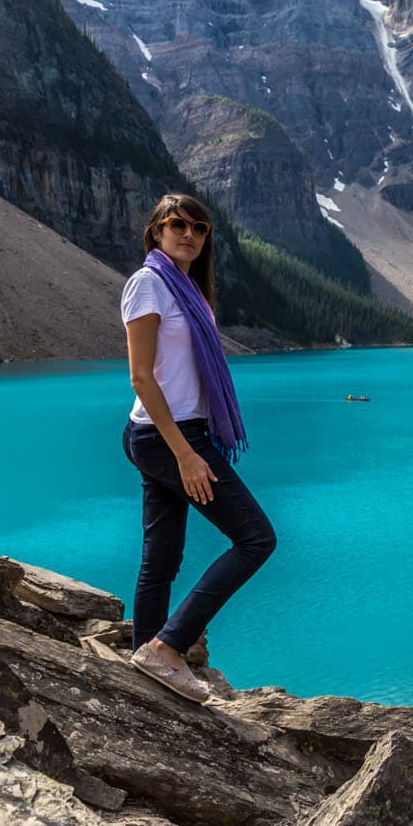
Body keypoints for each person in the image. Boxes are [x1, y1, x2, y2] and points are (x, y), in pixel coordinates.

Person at [121, 194, 276, 703]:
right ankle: (167, 649)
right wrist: (186, 454)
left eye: (200, 227)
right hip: (166, 436)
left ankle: (146, 657)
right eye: (177, 224)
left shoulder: (189, 290)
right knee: (255, 538)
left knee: (161, 558)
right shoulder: (148, 285)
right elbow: (142, 378)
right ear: (157, 231)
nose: (189, 233)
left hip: (179, 434)